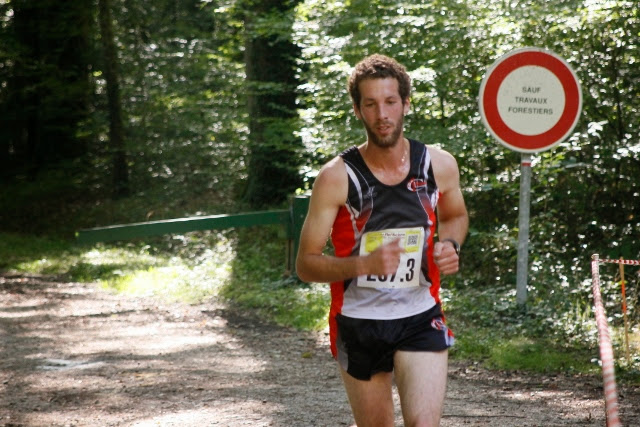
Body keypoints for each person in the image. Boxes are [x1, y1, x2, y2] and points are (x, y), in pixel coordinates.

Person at [296, 54, 469, 427]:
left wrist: (451, 245)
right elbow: (306, 264)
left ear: (406, 103)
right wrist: (364, 264)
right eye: (371, 104)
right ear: (357, 110)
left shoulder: (438, 164)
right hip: (359, 322)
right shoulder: (336, 177)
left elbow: (455, 216)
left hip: (420, 315)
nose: (382, 114)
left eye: (390, 101)